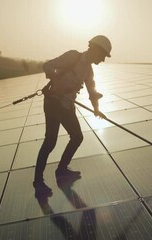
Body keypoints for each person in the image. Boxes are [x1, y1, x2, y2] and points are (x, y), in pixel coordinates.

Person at [33, 35, 111, 196]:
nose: (103, 60)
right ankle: (38, 181)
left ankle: (61, 170)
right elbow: (47, 65)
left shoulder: (89, 70)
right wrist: (57, 82)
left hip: (67, 105)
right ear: (95, 49)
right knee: (50, 142)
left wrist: (96, 109)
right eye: (103, 56)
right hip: (54, 103)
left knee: (77, 137)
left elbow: (92, 91)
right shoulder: (73, 56)